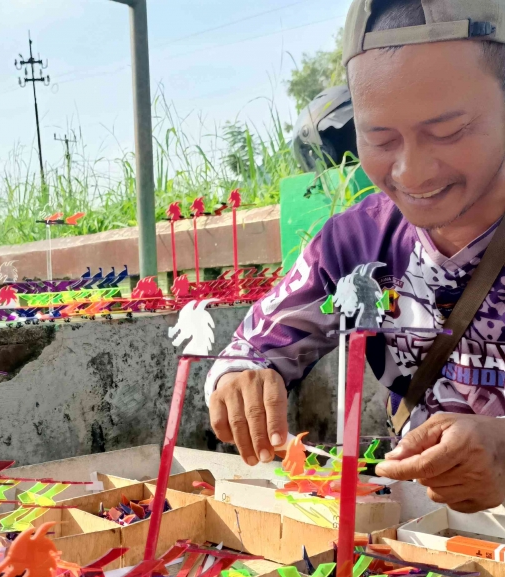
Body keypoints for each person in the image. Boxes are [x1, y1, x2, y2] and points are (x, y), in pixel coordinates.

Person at [207, 0, 505, 514]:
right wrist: (242, 379)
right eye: (379, 137)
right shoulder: (356, 244)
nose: (412, 173)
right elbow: (251, 349)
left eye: (449, 131)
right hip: (427, 541)